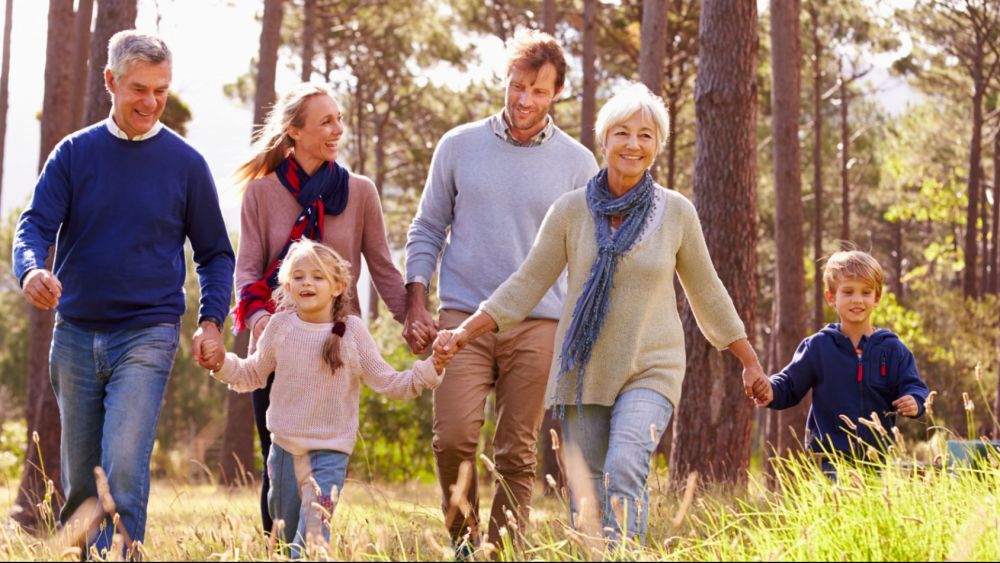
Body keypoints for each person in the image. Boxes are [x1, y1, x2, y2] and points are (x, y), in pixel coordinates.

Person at [433, 82, 770, 545]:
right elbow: (527, 283)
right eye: (623, 133)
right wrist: (465, 331)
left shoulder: (676, 213)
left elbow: (708, 292)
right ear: (604, 140)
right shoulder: (570, 212)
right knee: (588, 493)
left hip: (652, 366)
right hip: (585, 370)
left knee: (625, 464)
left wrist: (749, 360)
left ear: (657, 146)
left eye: (646, 135)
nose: (633, 144)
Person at [11, 31, 234, 555]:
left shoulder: (186, 164)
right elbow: (34, 227)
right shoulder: (74, 154)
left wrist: (210, 321)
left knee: (125, 469)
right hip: (75, 336)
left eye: (160, 90)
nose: (151, 102)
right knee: (84, 483)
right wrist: (28, 272)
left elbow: (216, 254)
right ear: (110, 81)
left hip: (148, 332)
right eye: (139, 88)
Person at [404, 29, 599, 550]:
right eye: (517, 86)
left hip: (539, 323)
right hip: (461, 319)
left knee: (516, 453)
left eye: (538, 90)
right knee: (453, 438)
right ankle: (464, 547)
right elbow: (427, 227)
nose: (523, 100)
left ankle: (504, 552)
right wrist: (416, 300)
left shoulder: (578, 164)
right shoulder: (459, 145)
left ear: (557, 93)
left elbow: (588, 254)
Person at [232, 82, 434, 533]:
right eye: (326, 121)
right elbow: (246, 271)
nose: (338, 129)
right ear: (294, 131)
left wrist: (414, 320)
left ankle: (312, 543)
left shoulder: (359, 192)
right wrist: (263, 322)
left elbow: (383, 268)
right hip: (276, 345)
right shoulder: (261, 194)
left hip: (337, 348)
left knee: (325, 464)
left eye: (339, 119)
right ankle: (281, 545)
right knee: (278, 463)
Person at [203, 239, 444, 556]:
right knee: (286, 538)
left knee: (312, 540)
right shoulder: (280, 326)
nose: (307, 283)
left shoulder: (352, 333)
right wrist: (221, 364)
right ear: (288, 285)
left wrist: (432, 367)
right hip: (285, 452)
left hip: (330, 453)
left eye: (317, 277)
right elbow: (252, 374)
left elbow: (390, 382)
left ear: (338, 285)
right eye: (299, 277)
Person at [762, 250, 929, 468]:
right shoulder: (818, 347)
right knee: (835, 502)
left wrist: (915, 401)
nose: (857, 299)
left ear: (877, 298)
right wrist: (769, 390)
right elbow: (789, 384)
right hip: (830, 458)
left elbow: (914, 386)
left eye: (866, 292)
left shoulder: (893, 349)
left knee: (872, 502)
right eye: (848, 292)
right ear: (831, 297)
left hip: (876, 458)